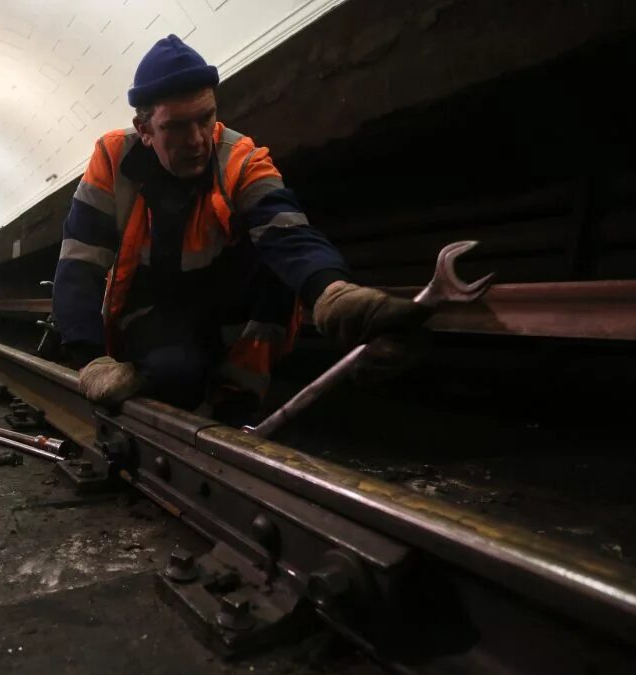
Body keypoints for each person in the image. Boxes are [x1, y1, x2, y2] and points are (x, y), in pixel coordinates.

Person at [52, 35, 429, 423]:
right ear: (144, 130)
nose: (197, 140)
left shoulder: (241, 157)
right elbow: (79, 264)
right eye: (177, 127)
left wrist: (332, 291)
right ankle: (174, 377)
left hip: (221, 300)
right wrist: (90, 359)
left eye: (205, 118)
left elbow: (285, 229)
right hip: (153, 308)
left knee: (271, 267)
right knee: (176, 373)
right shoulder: (113, 160)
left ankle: (237, 399)